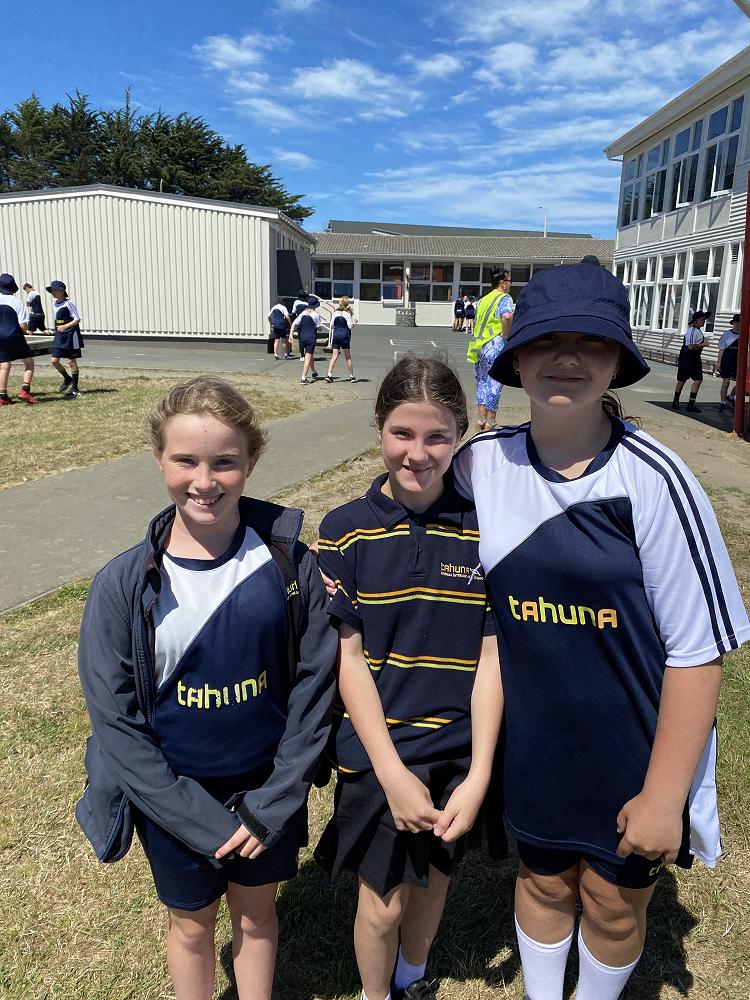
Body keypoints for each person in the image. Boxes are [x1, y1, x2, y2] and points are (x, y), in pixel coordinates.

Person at [454, 263, 750, 1000]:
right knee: (543, 882)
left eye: (591, 342)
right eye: (546, 339)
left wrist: (663, 797)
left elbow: (697, 653)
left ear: (618, 360)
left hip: (630, 745)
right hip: (534, 740)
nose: (568, 357)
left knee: (613, 903)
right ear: (516, 356)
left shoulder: (657, 480)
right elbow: (406, 514)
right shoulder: (481, 465)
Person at [76, 376, 337, 1000]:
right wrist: (191, 815)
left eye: (224, 462)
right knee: (192, 927)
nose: (204, 480)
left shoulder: (288, 565)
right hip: (173, 797)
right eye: (185, 460)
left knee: (257, 915)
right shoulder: (123, 584)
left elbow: (314, 689)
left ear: (252, 461)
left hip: (266, 791)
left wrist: (273, 801)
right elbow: (116, 721)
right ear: (159, 459)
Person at [315, 356, 505, 1000]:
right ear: (378, 428)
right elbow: (348, 660)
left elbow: (490, 661)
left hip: (458, 750)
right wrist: (392, 773)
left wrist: (480, 774)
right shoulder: (345, 530)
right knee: (384, 901)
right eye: (402, 433)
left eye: (437, 437)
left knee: (436, 879)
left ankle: (412, 977)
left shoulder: (486, 528)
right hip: (380, 753)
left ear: (461, 436)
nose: (417, 454)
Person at [467, 270, 514, 432]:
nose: (511, 284)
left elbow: (477, 321)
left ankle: (481, 420)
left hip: (480, 346)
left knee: (482, 382)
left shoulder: (483, 300)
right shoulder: (504, 298)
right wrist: (506, 336)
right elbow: (507, 316)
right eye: (509, 281)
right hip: (495, 344)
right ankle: (490, 421)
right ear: (502, 283)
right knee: (495, 382)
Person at [0, 272, 37, 406]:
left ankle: (3, 396)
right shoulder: (16, 302)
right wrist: (26, 331)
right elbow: (23, 325)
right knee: (29, 362)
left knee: (4, 365)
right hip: (14, 335)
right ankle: (25, 391)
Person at [47, 279, 84, 399]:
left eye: (54, 290)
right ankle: (67, 378)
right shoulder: (54, 304)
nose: (52, 292)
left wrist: (65, 326)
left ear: (61, 291)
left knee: (71, 362)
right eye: (51, 290)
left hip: (70, 335)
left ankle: (75, 389)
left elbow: (77, 319)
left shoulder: (69, 303)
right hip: (60, 336)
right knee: (54, 360)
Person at [672, 310, 712, 412]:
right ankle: (676, 400)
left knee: (698, 379)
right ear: (696, 320)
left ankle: (691, 403)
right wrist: (703, 344)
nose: (704, 322)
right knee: (682, 379)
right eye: (702, 320)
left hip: (695, 358)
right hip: (687, 357)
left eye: (704, 320)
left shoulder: (698, 331)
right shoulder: (692, 331)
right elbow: (690, 347)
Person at [325, 295, 357, 383]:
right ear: (347, 304)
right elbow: (350, 327)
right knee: (348, 357)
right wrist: (354, 323)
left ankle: (329, 374)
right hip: (344, 336)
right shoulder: (347, 314)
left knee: (334, 356)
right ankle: (351, 376)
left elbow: (331, 326)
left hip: (336, 335)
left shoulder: (335, 313)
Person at [291, 301, 322, 385]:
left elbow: (294, 324)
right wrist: (316, 326)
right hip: (311, 337)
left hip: (302, 337)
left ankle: (313, 371)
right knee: (307, 357)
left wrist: (291, 335)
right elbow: (320, 329)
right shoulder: (316, 315)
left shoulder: (303, 313)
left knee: (309, 354)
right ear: (315, 307)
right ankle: (303, 378)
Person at [717, 313, 740, 413]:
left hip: (738, 360)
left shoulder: (745, 335)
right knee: (726, 382)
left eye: (740, 322)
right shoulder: (726, 334)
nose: (738, 324)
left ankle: (731, 396)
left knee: (740, 382)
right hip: (727, 359)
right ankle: (723, 402)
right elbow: (721, 349)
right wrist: (719, 362)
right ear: (733, 323)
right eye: (736, 322)